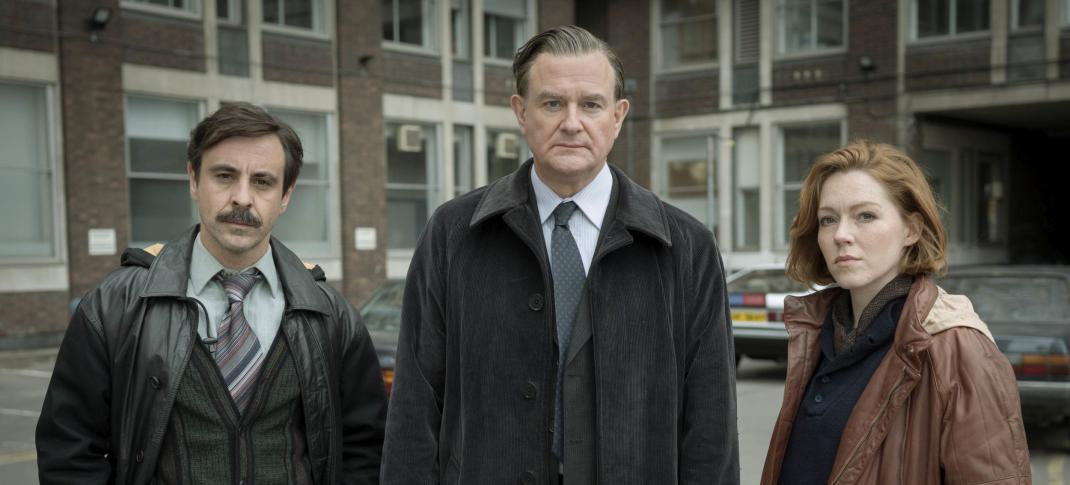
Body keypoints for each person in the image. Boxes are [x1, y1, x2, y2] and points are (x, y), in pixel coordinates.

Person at [381, 25, 739, 484]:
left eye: (591, 104)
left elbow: (711, 420)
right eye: (553, 103)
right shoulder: (453, 233)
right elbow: (415, 400)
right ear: (521, 112)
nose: (572, 122)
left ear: (618, 115)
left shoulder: (685, 245)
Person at [36, 102, 387, 484]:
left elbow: (365, 451)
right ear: (193, 180)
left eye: (263, 182)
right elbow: (69, 452)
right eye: (224, 175)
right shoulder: (114, 306)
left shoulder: (331, 316)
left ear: (285, 195)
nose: (241, 198)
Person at [760, 140, 1031, 484]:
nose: (841, 234)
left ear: (911, 229)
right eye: (828, 220)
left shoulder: (958, 348)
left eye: (866, 216)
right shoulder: (816, 332)